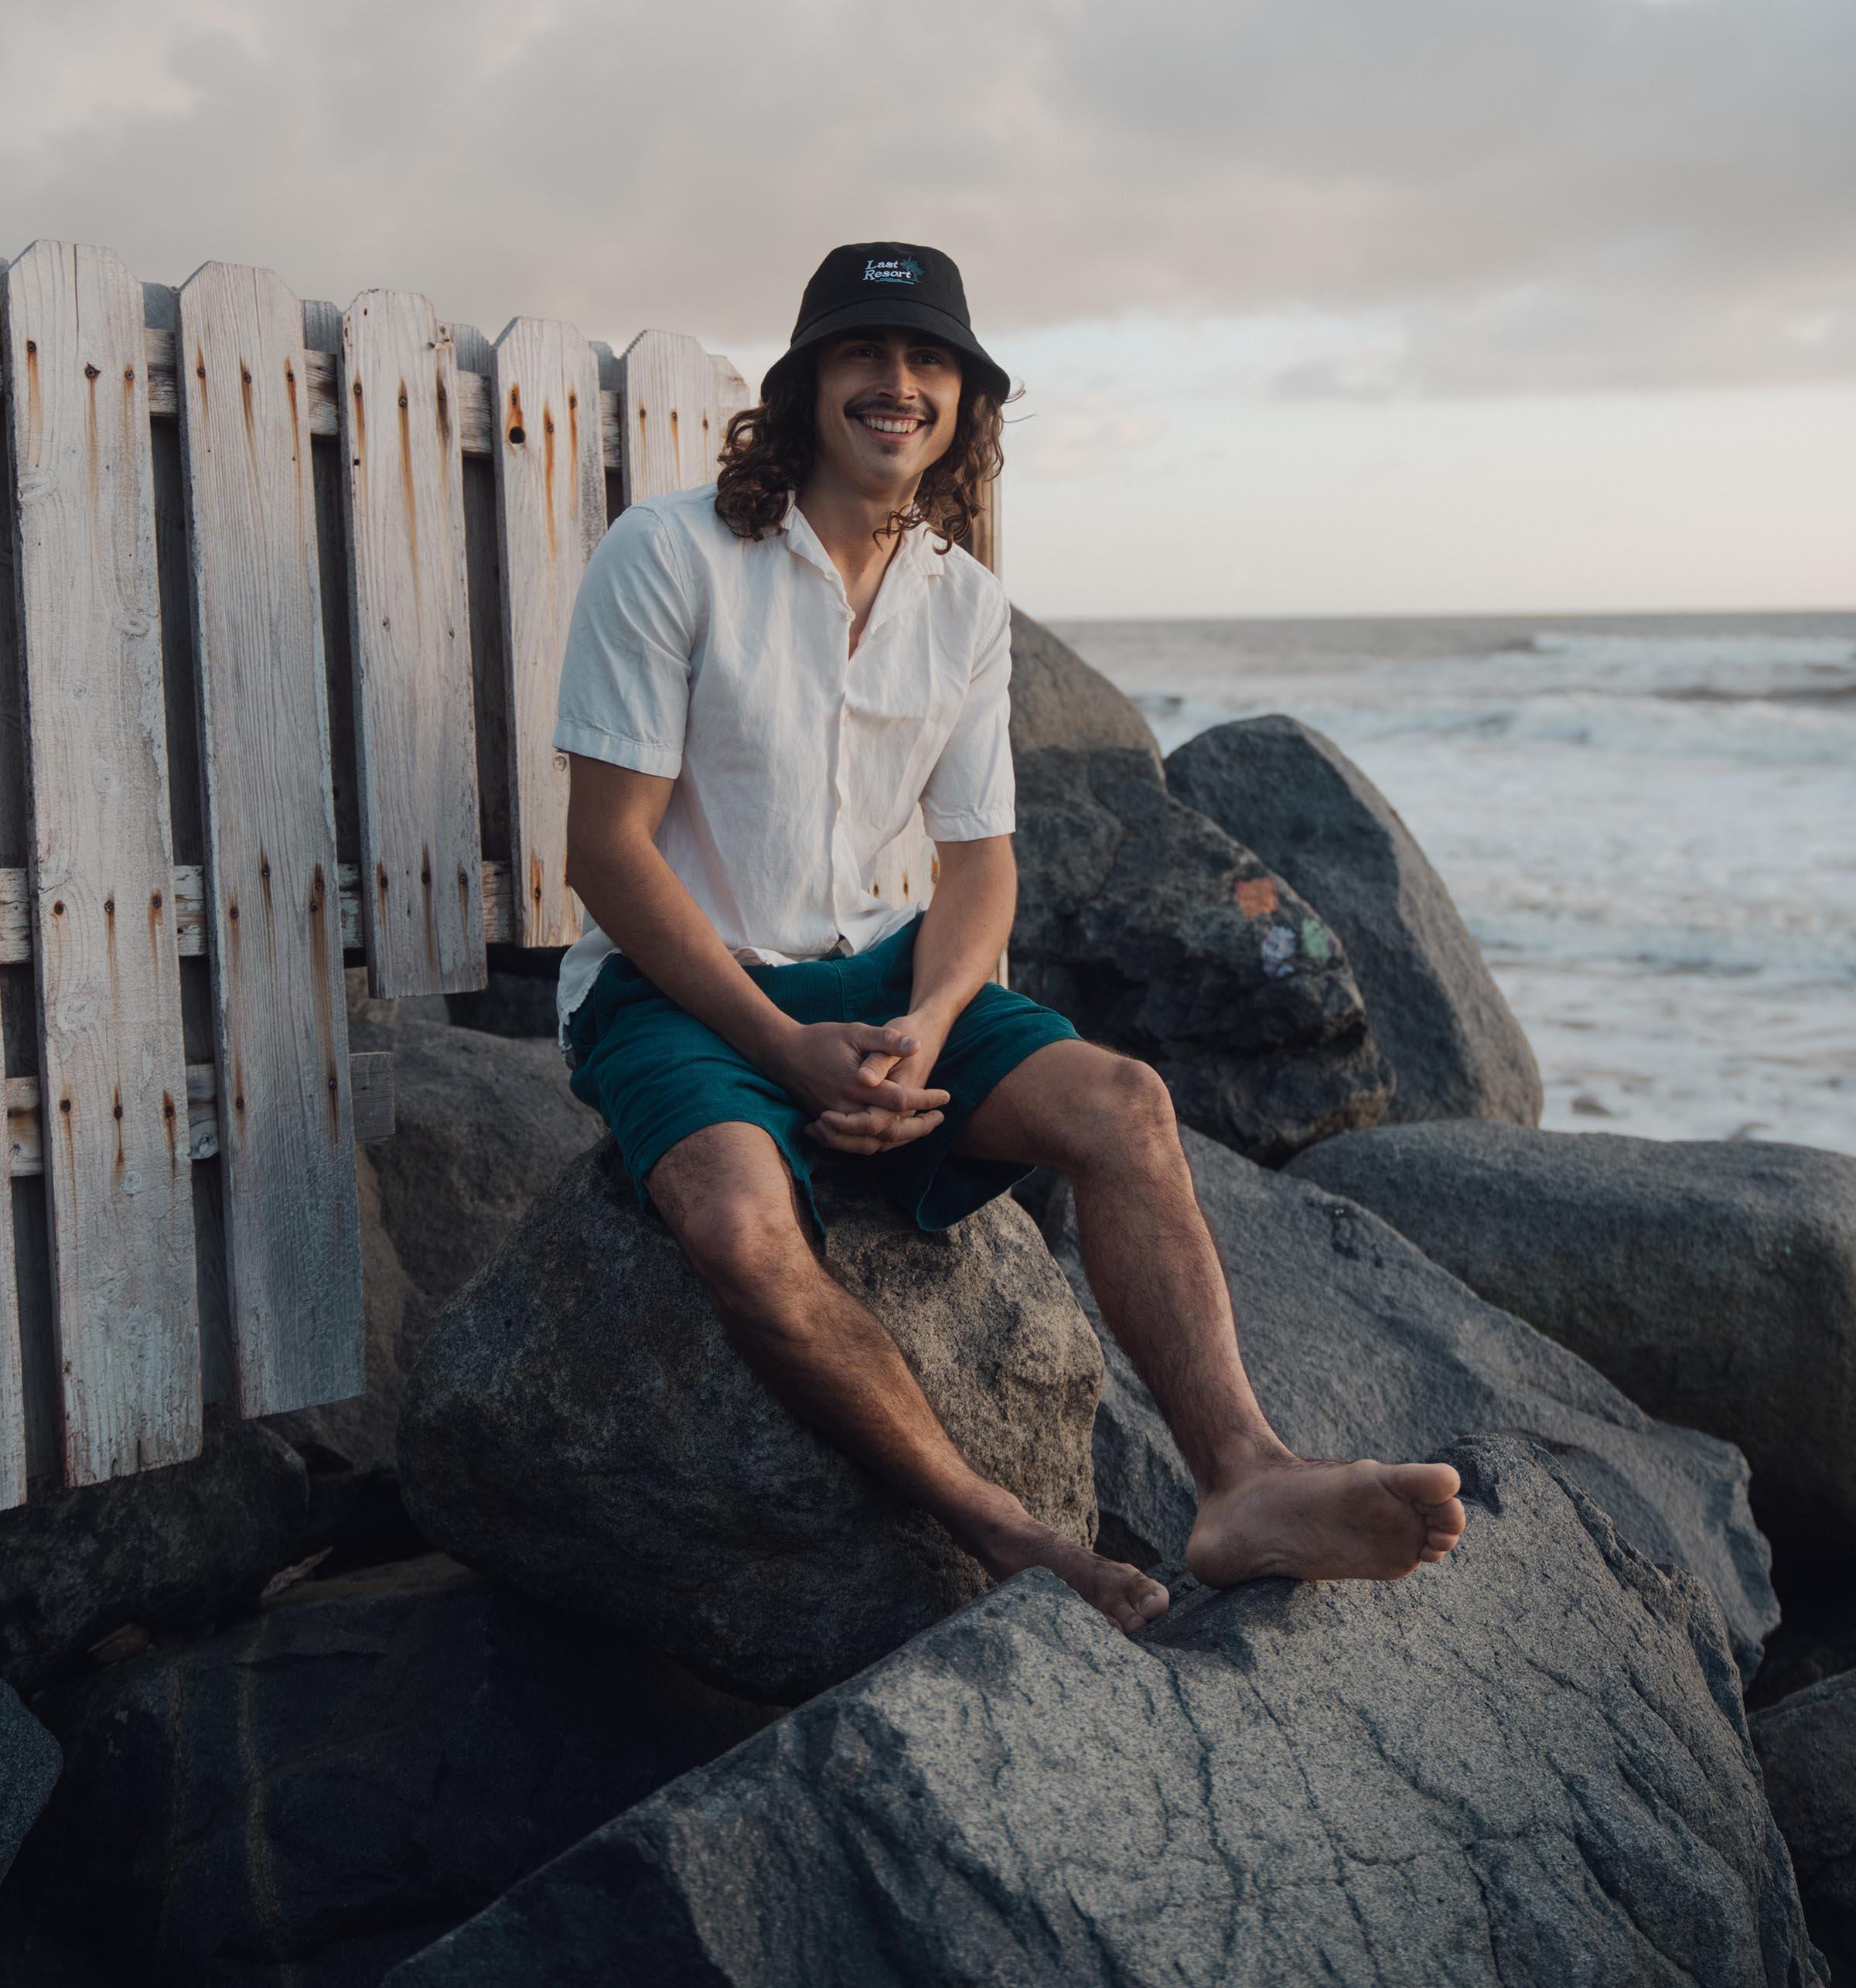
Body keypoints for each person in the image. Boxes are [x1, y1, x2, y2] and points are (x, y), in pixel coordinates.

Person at [554, 241, 1465, 1634]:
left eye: (931, 363)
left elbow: (981, 871)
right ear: (805, 386)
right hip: (686, 992)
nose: (898, 384)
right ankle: (1007, 1530)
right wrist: (788, 1048)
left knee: (1126, 1103)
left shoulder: (963, 603)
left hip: (888, 971)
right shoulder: (670, 553)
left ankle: (1244, 1478)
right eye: (865, 354)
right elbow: (608, 852)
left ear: (968, 407)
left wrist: (921, 1027)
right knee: (738, 1227)